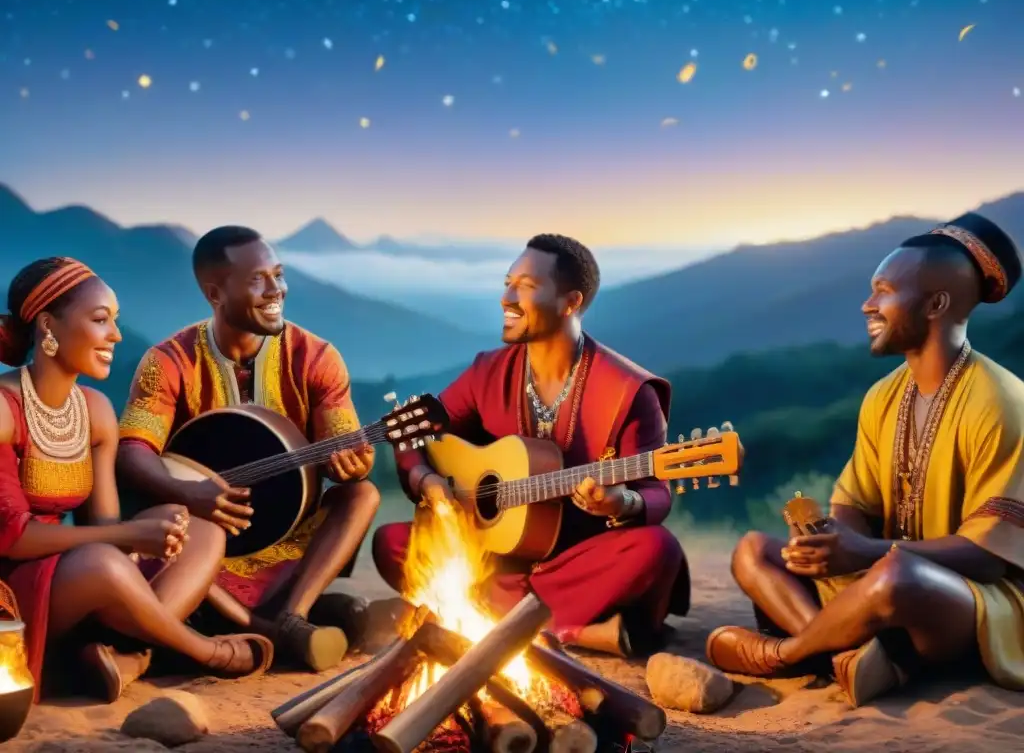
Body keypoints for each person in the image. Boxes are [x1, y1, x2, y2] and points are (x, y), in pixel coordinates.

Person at [710, 212, 1024, 707]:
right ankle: (854, 657)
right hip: (878, 579)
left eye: (883, 291)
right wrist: (829, 542)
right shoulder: (882, 397)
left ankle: (789, 653)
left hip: (970, 602)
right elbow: (854, 503)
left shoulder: (1002, 401)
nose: (867, 304)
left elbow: (989, 557)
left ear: (937, 304)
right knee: (754, 550)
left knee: (898, 576)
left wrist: (868, 553)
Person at [372, 233, 689, 657]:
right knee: (392, 542)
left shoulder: (627, 392)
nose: (506, 297)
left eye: (526, 286)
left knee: (655, 549)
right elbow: (414, 431)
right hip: (497, 558)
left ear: (570, 302)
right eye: (508, 282)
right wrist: (426, 478)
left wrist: (620, 503)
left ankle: (494, 623)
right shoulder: (488, 372)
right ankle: (573, 632)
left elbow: (653, 494)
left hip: (575, 562)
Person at [0, 257, 272, 704]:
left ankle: (130, 658)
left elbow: (106, 528)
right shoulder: (5, 408)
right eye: (100, 320)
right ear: (48, 326)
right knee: (102, 566)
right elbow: (12, 539)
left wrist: (151, 531)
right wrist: (127, 534)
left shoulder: (95, 411)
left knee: (200, 528)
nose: (116, 336)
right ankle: (204, 651)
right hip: (11, 587)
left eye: (116, 321)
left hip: (73, 573)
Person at [116, 226, 380, 673]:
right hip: (200, 541)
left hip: (288, 537)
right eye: (258, 279)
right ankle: (271, 629)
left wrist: (353, 464)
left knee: (363, 495)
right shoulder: (169, 362)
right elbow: (133, 452)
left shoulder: (316, 358)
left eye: (278, 275)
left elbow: (350, 451)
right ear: (215, 293)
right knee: (181, 544)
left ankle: (291, 616)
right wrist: (190, 493)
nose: (277, 290)